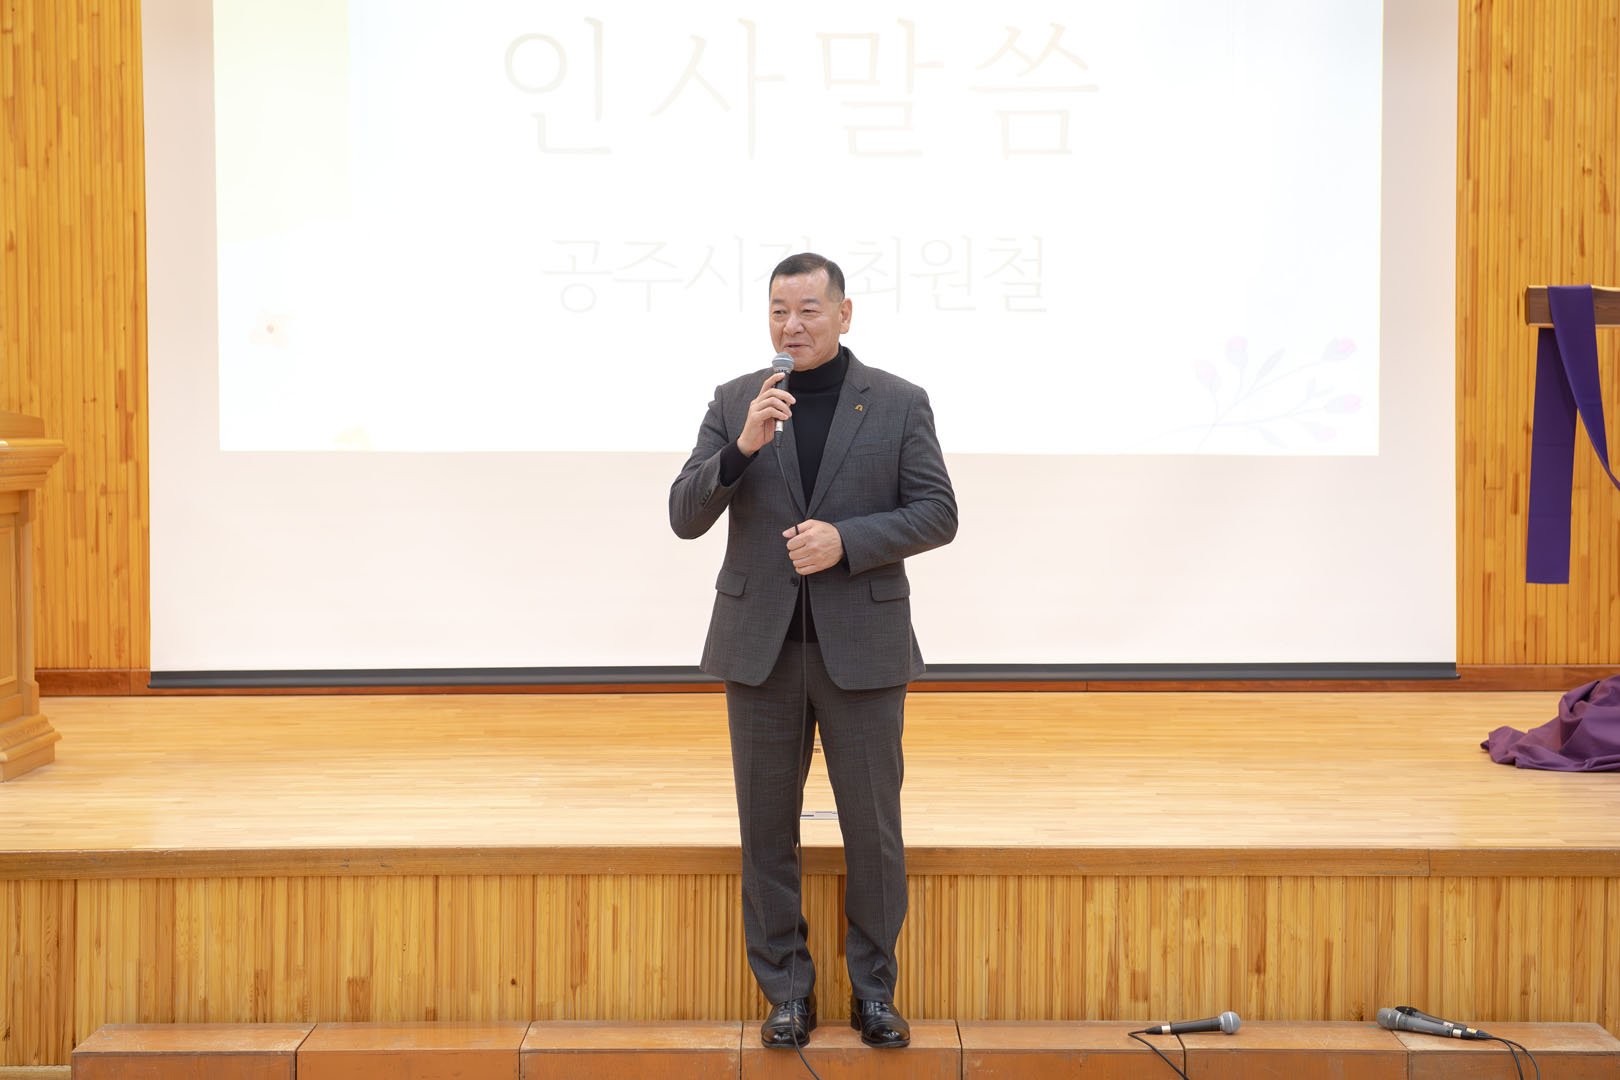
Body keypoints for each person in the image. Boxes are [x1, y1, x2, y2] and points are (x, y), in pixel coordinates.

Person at [668, 253, 958, 1049]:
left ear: (844, 313)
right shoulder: (737, 400)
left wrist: (847, 541)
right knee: (767, 831)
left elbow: (937, 512)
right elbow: (685, 514)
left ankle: (874, 993)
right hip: (760, 651)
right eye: (777, 311)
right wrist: (741, 449)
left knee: (873, 831)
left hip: (861, 647)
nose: (791, 325)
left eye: (807, 310)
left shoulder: (897, 402)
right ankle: (787, 995)